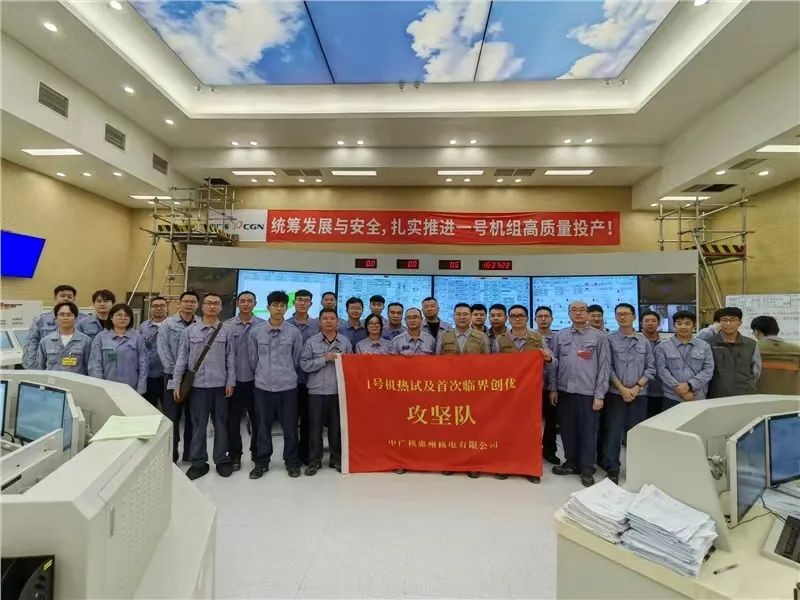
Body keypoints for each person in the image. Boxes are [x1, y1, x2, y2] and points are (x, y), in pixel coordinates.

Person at [172, 293, 236, 480]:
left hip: (220, 386)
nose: (212, 306)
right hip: (197, 387)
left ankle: (221, 460)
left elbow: (230, 359)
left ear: (221, 308)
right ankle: (198, 462)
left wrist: (230, 382)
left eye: (216, 303)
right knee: (198, 426)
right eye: (208, 303)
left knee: (221, 425)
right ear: (202, 306)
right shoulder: (190, 331)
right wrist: (177, 383)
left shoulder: (227, 331)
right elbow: (182, 358)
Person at [549, 300, 611, 487]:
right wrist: (553, 388)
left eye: (582, 310)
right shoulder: (560, 336)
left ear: (587, 313)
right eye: (573, 310)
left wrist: (599, 395)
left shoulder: (599, 337)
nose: (578, 313)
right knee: (567, 430)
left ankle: (587, 468)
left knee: (588, 432)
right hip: (565, 391)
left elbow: (604, 367)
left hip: (588, 393)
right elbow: (554, 364)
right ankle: (571, 463)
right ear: (568, 314)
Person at [494, 304, 556, 483]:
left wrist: (548, 358)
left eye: (521, 315)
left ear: (527, 318)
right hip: (507, 394)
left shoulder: (537, 338)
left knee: (530, 432)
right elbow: (493, 366)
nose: (517, 318)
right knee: (507, 430)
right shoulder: (500, 340)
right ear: (508, 319)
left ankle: (530, 468)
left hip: (532, 394)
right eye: (513, 316)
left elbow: (553, 361)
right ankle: (506, 465)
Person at [248, 291, 304, 479]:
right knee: (262, 428)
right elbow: (253, 359)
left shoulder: (294, 332)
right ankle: (262, 463)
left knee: (290, 428)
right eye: (275, 305)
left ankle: (292, 462)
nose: (279, 309)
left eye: (282, 305)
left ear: (286, 308)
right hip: (263, 387)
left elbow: (296, 359)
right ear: (268, 307)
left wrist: (285, 373)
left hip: (287, 388)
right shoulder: (256, 332)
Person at [602, 303, 655, 484]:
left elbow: (651, 368)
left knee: (635, 433)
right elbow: (607, 367)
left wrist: (637, 387)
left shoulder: (643, 341)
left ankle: (635, 468)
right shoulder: (609, 339)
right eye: (619, 314)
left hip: (639, 395)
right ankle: (612, 468)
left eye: (626, 313)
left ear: (633, 316)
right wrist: (622, 389)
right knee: (613, 432)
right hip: (616, 394)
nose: (622, 317)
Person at [300, 307, 352, 475]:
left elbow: (352, 366)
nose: (328, 321)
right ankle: (314, 461)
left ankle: (336, 459)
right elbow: (304, 365)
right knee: (315, 429)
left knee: (336, 429)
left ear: (337, 322)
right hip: (316, 392)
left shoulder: (345, 342)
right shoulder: (311, 342)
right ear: (319, 322)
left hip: (337, 392)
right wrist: (324, 359)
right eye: (325, 318)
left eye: (332, 318)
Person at [224, 291, 265, 471]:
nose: (246, 304)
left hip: (256, 382)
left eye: (250, 301)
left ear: (255, 304)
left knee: (258, 421)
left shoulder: (263, 326)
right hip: (233, 382)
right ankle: (235, 455)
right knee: (232, 422)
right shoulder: (226, 326)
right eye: (243, 301)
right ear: (237, 303)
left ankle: (257, 453)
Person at [157, 290, 199, 463]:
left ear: (197, 305)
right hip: (172, 376)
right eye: (186, 301)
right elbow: (163, 350)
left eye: (193, 302)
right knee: (172, 418)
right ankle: (171, 455)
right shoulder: (167, 324)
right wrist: (177, 373)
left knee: (193, 418)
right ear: (180, 303)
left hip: (195, 379)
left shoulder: (200, 324)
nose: (189, 304)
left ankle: (190, 454)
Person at [655, 311, 715, 410]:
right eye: (679, 323)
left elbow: (708, 370)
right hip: (672, 397)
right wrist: (679, 389)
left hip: (697, 396)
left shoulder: (704, 346)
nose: (683, 327)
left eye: (687, 323)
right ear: (673, 326)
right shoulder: (662, 346)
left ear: (694, 326)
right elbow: (661, 370)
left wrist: (690, 385)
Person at [287, 289, 320, 467]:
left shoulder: (317, 325)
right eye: (299, 300)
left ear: (311, 304)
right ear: (294, 302)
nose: (302, 303)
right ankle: (292, 456)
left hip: (312, 380)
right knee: (291, 420)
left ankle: (306, 453)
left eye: (306, 300)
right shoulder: (285, 324)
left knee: (309, 420)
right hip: (290, 381)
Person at [22, 284, 87, 368]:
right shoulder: (41, 320)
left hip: (76, 368)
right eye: (62, 296)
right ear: (55, 298)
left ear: (74, 299)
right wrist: (31, 367)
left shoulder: (85, 320)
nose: (66, 298)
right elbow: (32, 344)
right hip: (49, 366)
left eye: (69, 297)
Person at [88, 303, 148, 395]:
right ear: (111, 317)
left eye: (126, 315)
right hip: (107, 388)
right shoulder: (101, 338)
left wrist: (140, 389)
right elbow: (95, 365)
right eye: (119, 315)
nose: (123, 318)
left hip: (131, 388)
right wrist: (99, 387)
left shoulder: (137, 338)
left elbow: (143, 364)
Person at [707, 307, 761, 398]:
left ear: (740, 323)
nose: (728, 323)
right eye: (724, 320)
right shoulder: (709, 343)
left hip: (746, 393)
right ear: (720, 322)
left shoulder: (751, 344)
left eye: (732, 320)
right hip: (717, 394)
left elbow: (756, 372)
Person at [534, 305, 560, 466]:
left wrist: (553, 388)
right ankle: (531, 451)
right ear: (535, 319)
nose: (543, 319)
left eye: (546, 316)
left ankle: (550, 451)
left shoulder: (559, 338)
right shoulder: (531, 337)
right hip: (533, 387)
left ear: (552, 319)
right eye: (540, 316)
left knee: (551, 421)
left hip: (552, 387)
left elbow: (557, 364)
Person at [35, 301, 92, 374]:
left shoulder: (86, 341)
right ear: (56, 318)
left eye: (69, 315)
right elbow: (40, 368)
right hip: (52, 380)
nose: (65, 318)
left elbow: (89, 368)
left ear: (75, 318)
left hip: (75, 381)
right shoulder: (45, 341)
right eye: (62, 315)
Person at [139, 296, 169, 409]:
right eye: (155, 306)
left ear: (166, 308)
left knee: (169, 409)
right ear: (150, 308)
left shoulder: (173, 325)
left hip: (167, 375)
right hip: (149, 375)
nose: (158, 308)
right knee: (149, 408)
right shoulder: (144, 326)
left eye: (162, 306)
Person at [639, 309, 665, 419]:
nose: (650, 323)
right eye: (647, 321)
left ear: (658, 323)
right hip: (640, 391)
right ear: (641, 323)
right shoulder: (635, 342)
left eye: (654, 321)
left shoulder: (666, 343)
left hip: (662, 391)